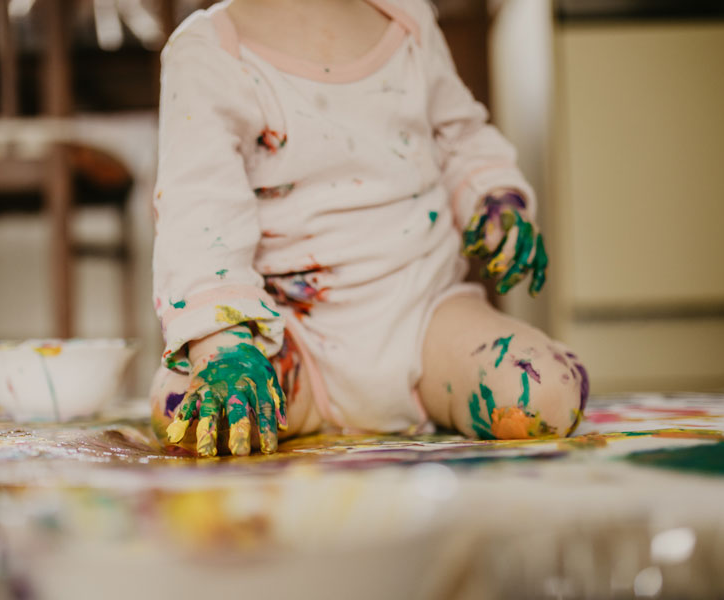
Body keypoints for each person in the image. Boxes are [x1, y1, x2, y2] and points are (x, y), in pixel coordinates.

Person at [148, 0, 589, 456]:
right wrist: (221, 347)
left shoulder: (408, 19)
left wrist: (494, 200)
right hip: (289, 337)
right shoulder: (209, 50)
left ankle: (450, 394)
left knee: (543, 394)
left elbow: (460, 141)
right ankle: (295, 408)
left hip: (426, 317)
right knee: (182, 409)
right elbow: (198, 213)